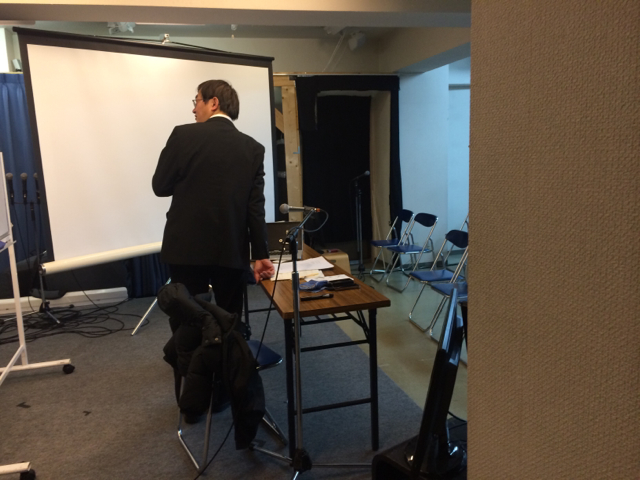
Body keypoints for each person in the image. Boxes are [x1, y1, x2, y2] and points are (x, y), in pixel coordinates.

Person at [152, 79, 275, 317]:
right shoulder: (253, 148)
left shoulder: (182, 135)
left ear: (213, 102)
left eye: (196, 101)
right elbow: (255, 208)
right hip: (231, 249)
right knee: (229, 319)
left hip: (185, 249)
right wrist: (261, 255)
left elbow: (160, 187)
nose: (193, 108)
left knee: (188, 319)